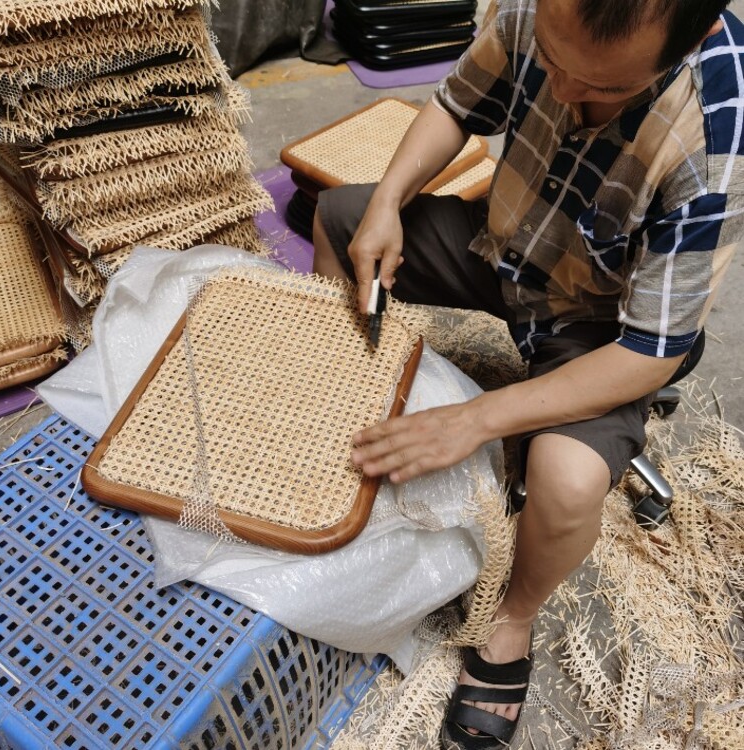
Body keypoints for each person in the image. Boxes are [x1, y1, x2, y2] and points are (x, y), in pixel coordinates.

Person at [312, 0, 743, 747]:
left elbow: (653, 351)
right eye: (552, 61)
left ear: (694, 34)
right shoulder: (528, 7)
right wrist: (387, 202)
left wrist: (474, 419)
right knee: (339, 219)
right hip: (504, 243)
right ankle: (340, 388)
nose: (566, 96)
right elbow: (455, 108)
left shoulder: (717, 137)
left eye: (604, 90)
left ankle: (512, 622)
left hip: (597, 320)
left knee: (568, 479)